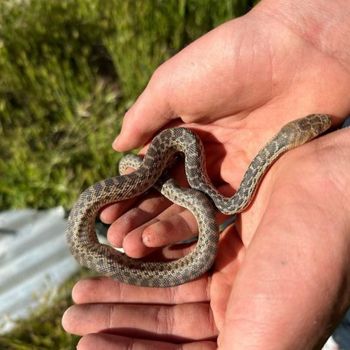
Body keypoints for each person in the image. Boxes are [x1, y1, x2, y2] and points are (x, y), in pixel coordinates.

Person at [62, 0, 350, 348]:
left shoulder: (220, 183)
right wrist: (316, 22)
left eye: (315, 128)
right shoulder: (187, 148)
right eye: (314, 127)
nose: (322, 124)